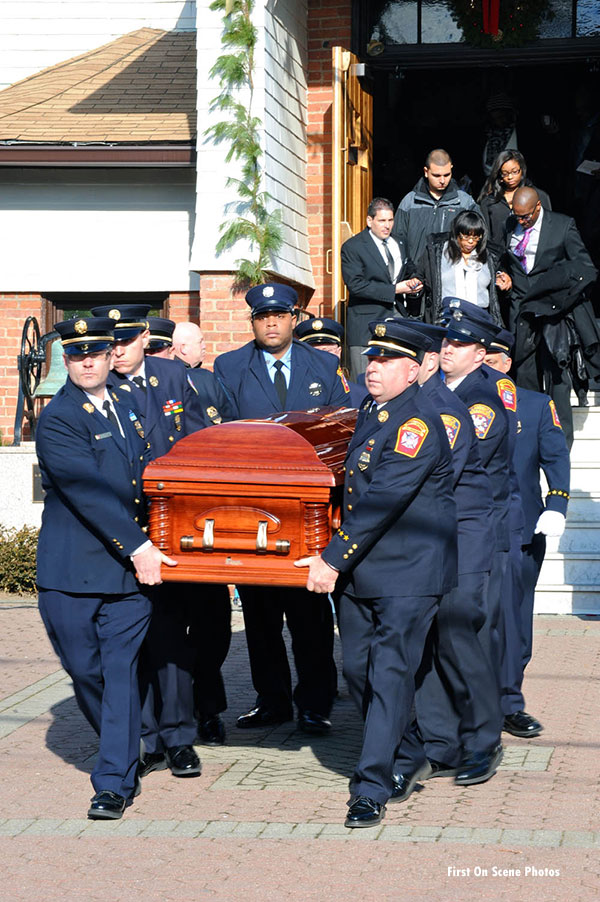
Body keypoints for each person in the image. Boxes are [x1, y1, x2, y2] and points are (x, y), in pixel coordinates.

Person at [295, 319, 457, 828]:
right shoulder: (371, 409)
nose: (373, 367)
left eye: (385, 360)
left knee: (388, 674)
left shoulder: (419, 425)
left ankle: (372, 786)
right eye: (371, 358)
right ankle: (409, 751)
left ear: (413, 370)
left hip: (409, 572)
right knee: (359, 673)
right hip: (365, 572)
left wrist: (330, 558)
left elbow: (383, 499)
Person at [36, 316, 177, 820]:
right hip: (71, 574)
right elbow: (86, 490)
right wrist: (139, 545)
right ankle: (136, 737)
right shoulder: (58, 419)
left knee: (119, 673)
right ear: (66, 362)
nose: (89, 361)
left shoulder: (128, 404)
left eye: (97, 352)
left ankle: (114, 779)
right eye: (77, 355)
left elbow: (155, 468)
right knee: (86, 671)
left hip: (126, 576)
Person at [213, 283, 348, 734]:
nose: (270, 323)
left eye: (279, 315)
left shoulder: (324, 366)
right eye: (261, 316)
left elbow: (340, 430)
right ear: (252, 322)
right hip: (251, 512)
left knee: (309, 615)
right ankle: (271, 699)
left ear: (294, 318)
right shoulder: (229, 367)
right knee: (260, 616)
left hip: (307, 515)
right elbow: (223, 437)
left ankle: (315, 702)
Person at [91, 304, 213, 780]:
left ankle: (180, 738)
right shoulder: (100, 387)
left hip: (173, 524)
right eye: (110, 342)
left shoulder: (172, 376)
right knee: (129, 642)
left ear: (145, 337)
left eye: (124, 341)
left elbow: (201, 438)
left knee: (171, 638)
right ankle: (143, 739)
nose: (116, 351)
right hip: (124, 529)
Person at [390, 320, 502, 800]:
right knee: (431, 636)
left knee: (457, 631)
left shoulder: (449, 408)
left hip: (463, 535)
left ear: (426, 363)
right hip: (427, 535)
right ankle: (440, 742)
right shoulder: (408, 403)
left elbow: (435, 479)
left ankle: (483, 738)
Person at [484, 330, 570, 739]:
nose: (488, 364)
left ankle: (509, 701)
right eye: (482, 356)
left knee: (514, 618)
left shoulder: (535, 405)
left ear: (507, 364)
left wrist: (557, 505)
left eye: (496, 358)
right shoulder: (453, 404)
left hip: (521, 529)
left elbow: (556, 458)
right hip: (468, 529)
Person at [439, 300, 511, 697]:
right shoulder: (444, 390)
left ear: (480, 354)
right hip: (448, 530)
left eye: (460, 343)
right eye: (447, 339)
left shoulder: (479, 401)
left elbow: (456, 465)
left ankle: (480, 723)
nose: (448, 347)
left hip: (475, 533)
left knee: (472, 632)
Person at [501, 186, 599, 447]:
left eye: (525, 217)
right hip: (522, 312)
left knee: (557, 377)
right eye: (516, 215)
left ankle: (559, 444)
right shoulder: (510, 225)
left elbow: (586, 270)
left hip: (553, 314)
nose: (520, 220)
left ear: (537, 208)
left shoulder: (563, 226)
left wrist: (561, 298)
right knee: (524, 376)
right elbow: (505, 260)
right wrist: (505, 276)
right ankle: (528, 439)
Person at [340, 197, 423, 378]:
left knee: (396, 378)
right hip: (365, 327)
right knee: (364, 382)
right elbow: (356, 286)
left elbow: (409, 268)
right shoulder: (353, 247)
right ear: (370, 221)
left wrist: (415, 280)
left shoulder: (399, 242)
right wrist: (395, 290)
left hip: (397, 320)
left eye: (390, 220)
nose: (387, 225)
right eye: (382, 221)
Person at [416, 210, 510, 324]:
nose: (471, 241)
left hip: (479, 319)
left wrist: (504, 283)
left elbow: (498, 294)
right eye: (466, 236)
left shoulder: (490, 257)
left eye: (476, 237)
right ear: (456, 234)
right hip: (446, 318)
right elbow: (419, 278)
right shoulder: (437, 252)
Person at [392, 148, 480, 265]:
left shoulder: (465, 202)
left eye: (447, 174)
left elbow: (480, 238)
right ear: (426, 172)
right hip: (416, 276)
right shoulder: (410, 202)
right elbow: (397, 241)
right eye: (437, 175)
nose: (442, 180)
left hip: (453, 274)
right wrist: (408, 270)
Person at [478, 150, 552, 255]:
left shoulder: (538, 196)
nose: (510, 177)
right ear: (499, 175)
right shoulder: (490, 202)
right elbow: (486, 236)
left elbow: (549, 229)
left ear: (522, 170)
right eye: (505, 173)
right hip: (499, 260)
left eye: (514, 172)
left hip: (533, 257)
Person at [294, 316, 368, 408]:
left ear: (339, 353)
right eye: (315, 353)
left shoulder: (361, 396)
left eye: (327, 352)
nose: (321, 358)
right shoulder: (289, 394)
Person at [172, 321, 235, 424]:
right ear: (184, 348)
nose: (204, 346)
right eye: (200, 342)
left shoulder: (206, 377)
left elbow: (228, 418)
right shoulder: (171, 377)